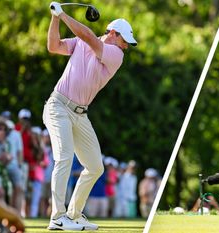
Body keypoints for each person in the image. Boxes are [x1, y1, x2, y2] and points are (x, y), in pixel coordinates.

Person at [44, 2, 137, 231]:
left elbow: (87, 35)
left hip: (80, 114)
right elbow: (53, 46)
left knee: (96, 167)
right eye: (124, 40)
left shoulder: (115, 55)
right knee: (64, 157)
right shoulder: (82, 43)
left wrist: (62, 14)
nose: (125, 47)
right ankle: (57, 217)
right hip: (58, 106)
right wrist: (54, 19)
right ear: (113, 34)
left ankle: (74, 214)